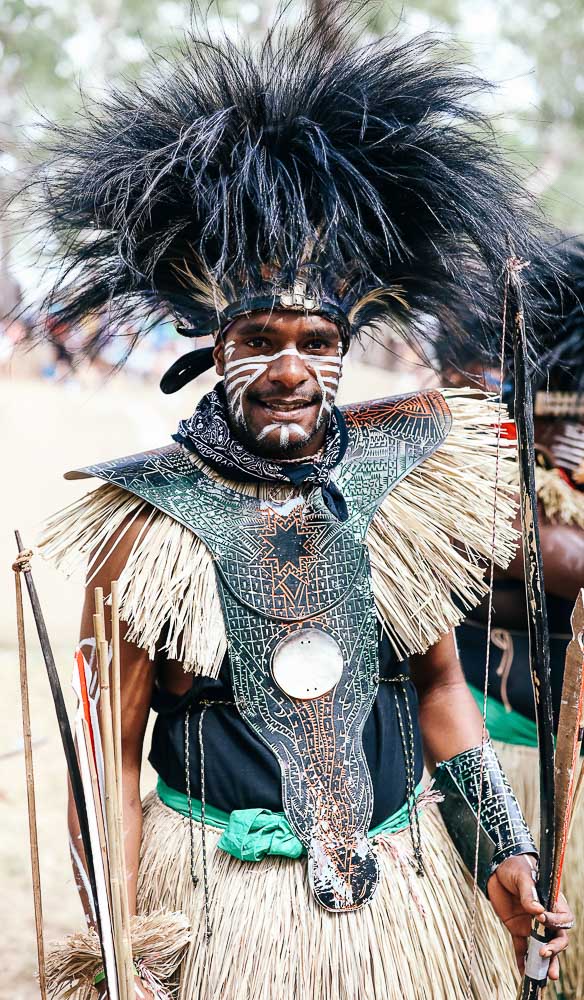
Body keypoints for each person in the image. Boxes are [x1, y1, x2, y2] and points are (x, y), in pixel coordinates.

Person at [36, 11, 573, 999]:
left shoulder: (400, 493)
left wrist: (499, 852)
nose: (289, 369)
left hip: (399, 892)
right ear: (214, 351)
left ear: (343, 347)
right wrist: (118, 934)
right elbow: (106, 754)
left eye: (313, 342)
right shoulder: (149, 526)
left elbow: (440, 694)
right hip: (212, 895)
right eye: (260, 340)